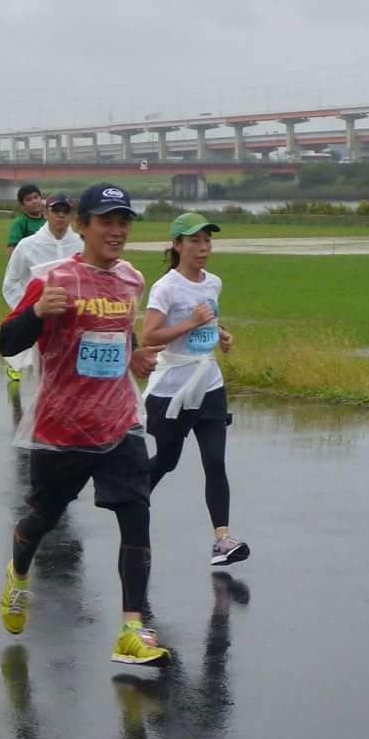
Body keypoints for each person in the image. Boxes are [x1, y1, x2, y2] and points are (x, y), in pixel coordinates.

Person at [0, 183, 168, 667]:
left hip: (119, 422)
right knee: (42, 519)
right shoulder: (53, 280)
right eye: (106, 221)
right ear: (83, 226)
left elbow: (119, 332)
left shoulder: (131, 280)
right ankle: (19, 572)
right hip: (62, 428)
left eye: (123, 222)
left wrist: (134, 357)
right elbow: (7, 342)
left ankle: (131, 630)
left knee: (136, 514)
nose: (117, 231)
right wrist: (35, 313)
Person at [141, 212, 250, 567]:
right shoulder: (166, 287)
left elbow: (209, 320)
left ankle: (222, 540)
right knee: (167, 460)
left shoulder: (213, 282)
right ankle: (131, 500)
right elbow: (149, 336)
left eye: (207, 240)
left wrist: (221, 334)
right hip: (173, 389)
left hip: (209, 384)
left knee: (215, 461)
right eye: (195, 241)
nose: (203, 248)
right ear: (177, 245)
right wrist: (191, 322)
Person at [0, 193, 82, 383]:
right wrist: (31, 313)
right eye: (56, 210)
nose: (61, 215)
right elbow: (11, 283)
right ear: (46, 213)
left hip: (76, 323)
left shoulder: (82, 244)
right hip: (41, 323)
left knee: (77, 376)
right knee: (45, 378)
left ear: (71, 215)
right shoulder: (27, 245)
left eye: (66, 211)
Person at [6, 183, 46, 254]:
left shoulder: (49, 221)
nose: (34, 201)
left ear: (41, 198)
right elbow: (11, 250)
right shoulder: (19, 223)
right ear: (22, 205)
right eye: (29, 199)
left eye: (36, 197)